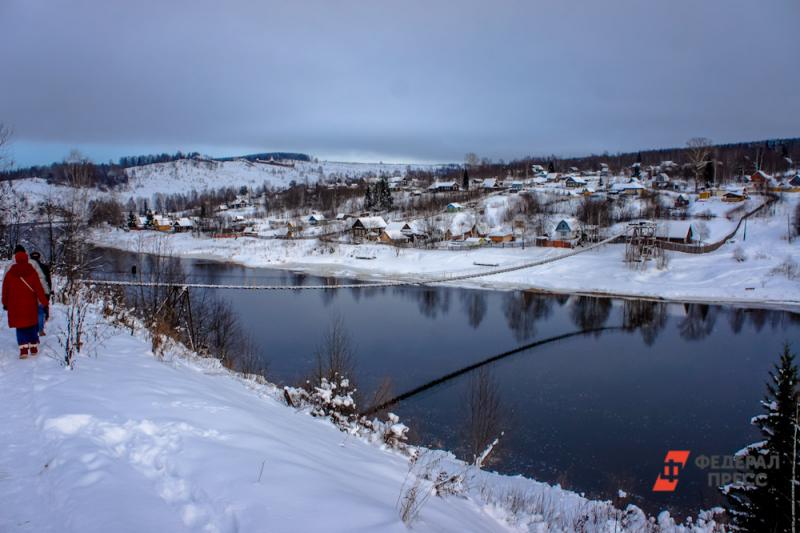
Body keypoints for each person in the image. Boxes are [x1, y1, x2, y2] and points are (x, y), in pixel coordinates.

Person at [2, 245, 49, 359]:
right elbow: (38, 288)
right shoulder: (32, 271)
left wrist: (5, 303)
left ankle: (23, 350)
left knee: (20, 326)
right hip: (30, 304)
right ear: (26, 257)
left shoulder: (10, 272)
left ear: (16, 259)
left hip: (15, 304)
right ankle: (33, 348)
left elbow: (5, 289)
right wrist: (44, 302)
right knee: (32, 325)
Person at [29, 251, 51, 336]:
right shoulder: (44, 267)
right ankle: (40, 330)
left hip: (30, 291)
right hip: (42, 291)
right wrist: (48, 292)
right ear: (39, 257)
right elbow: (48, 281)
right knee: (40, 311)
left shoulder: (28, 267)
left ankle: (32, 328)